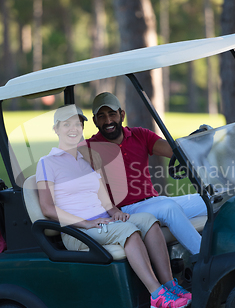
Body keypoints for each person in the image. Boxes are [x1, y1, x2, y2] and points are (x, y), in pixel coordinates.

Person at [36, 104, 191, 308]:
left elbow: (104, 199)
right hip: (77, 231)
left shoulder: (86, 160)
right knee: (128, 231)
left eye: (77, 124)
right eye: (66, 125)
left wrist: (114, 212)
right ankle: (157, 296)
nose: (73, 129)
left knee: (148, 221)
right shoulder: (47, 163)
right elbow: (47, 208)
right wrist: (87, 223)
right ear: (56, 129)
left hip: (102, 223)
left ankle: (170, 285)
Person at [86, 92, 207, 255]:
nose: (108, 121)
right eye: (101, 116)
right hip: (126, 210)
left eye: (112, 114)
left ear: (122, 114)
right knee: (169, 208)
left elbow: (174, 152)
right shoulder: (90, 148)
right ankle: (206, 257)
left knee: (209, 198)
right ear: (94, 120)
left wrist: (201, 141)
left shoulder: (139, 135)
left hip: (154, 201)